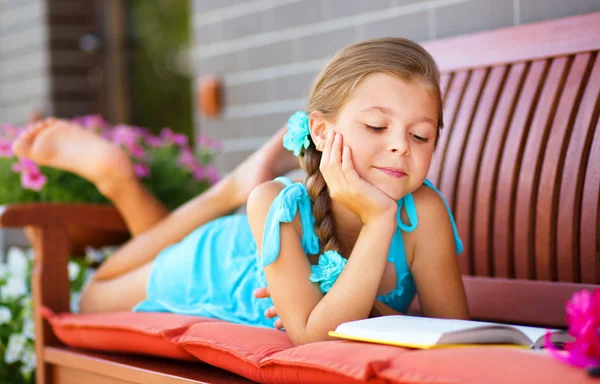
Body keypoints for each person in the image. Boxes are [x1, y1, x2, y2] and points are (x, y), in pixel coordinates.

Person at [12, 37, 469, 346]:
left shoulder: (424, 212)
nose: (398, 145)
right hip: (212, 269)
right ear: (323, 131)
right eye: (376, 125)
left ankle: (226, 185)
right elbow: (313, 336)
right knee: (94, 295)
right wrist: (379, 220)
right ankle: (123, 176)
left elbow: (453, 334)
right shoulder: (277, 204)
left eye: (421, 135)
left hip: (258, 242)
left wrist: (361, 306)